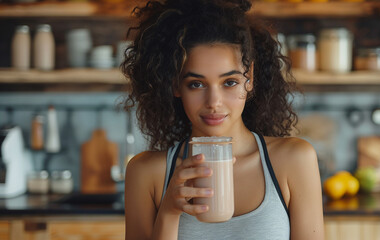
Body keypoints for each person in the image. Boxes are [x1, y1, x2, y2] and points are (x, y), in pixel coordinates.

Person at [122, 0, 324, 239]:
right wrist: (169, 211)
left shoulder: (294, 160)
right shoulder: (146, 173)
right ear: (175, 85)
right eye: (196, 84)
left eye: (229, 82)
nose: (214, 102)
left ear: (248, 77)